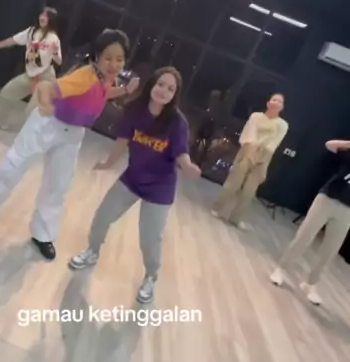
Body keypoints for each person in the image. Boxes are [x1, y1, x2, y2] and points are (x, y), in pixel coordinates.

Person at [0, 29, 139, 260]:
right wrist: (46, 104)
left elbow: (102, 92)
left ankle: (43, 234)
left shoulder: (105, 78)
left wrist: (125, 90)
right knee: (14, 166)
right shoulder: (85, 75)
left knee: (58, 184)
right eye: (108, 57)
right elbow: (47, 88)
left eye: (119, 59)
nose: (114, 64)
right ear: (97, 56)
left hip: (73, 133)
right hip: (48, 124)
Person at [69, 67, 201, 303]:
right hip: (132, 178)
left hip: (159, 188)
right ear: (152, 84)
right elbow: (122, 140)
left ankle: (151, 277)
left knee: (150, 238)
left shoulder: (177, 122)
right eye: (161, 84)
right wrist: (109, 163)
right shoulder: (135, 110)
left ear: (175, 95)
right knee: (102, 216)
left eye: (170, 89)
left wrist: (188, 166)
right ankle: (92, 251)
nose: (163, 91)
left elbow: (181, 153)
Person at [270, 139, 350, 306]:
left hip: (347, 211)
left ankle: (311, 284)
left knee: (330, 250)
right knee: (304, 236)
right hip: (327, 198)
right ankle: (281, 269)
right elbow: (329, 145)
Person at [212, 93, 288, 228]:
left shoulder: (282, 125)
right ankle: (217, 207)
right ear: (268, 103)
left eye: (280, 101)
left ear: (282, 107)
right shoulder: (256, 117)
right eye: (274, 100)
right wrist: (249, 153)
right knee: (233, 183)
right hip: (247, 150)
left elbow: (274, 143)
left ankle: (236, 218)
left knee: (249, 190)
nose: (276, 102)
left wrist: (261, 161)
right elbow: (248, 134)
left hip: (264, 156)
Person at [0, 6, 62, 130]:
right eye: (42, 14)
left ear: (51, 20)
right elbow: (13, 40)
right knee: (8, 91)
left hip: (46, 77)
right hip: (30, 74)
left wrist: (55, 51)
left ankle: (30, 132)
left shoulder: (53, 38)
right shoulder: (31, 32)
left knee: (33, 108)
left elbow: (59, 61)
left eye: (46, 16)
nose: (42, 17)